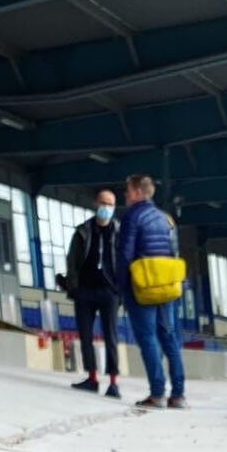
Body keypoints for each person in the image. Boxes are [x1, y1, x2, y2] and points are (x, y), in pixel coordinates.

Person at [118, 174, 187, 409]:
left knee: (148, 338)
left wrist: (121, 288)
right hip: (167, 289)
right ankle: (178, 395)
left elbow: (125, 255)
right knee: (170, 340)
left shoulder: (132, 217)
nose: (125, 195)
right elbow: (174, 253)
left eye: (128, 190)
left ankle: (157, 394)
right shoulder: (166, 219)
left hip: (142, 288)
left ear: (138, 192)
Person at [62, 189, 122, 398]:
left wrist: (120, 290)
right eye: (103, 203)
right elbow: (72, 261)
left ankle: (114, 382)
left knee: (111, 336)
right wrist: (74, 287)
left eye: (111, 204)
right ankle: (92, 378)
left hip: (109, 292)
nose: (106, 208)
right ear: (96, 203)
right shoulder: (82, 231)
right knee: (85, 335)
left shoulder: (119, 233)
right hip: (85, 291)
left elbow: (125, 263)